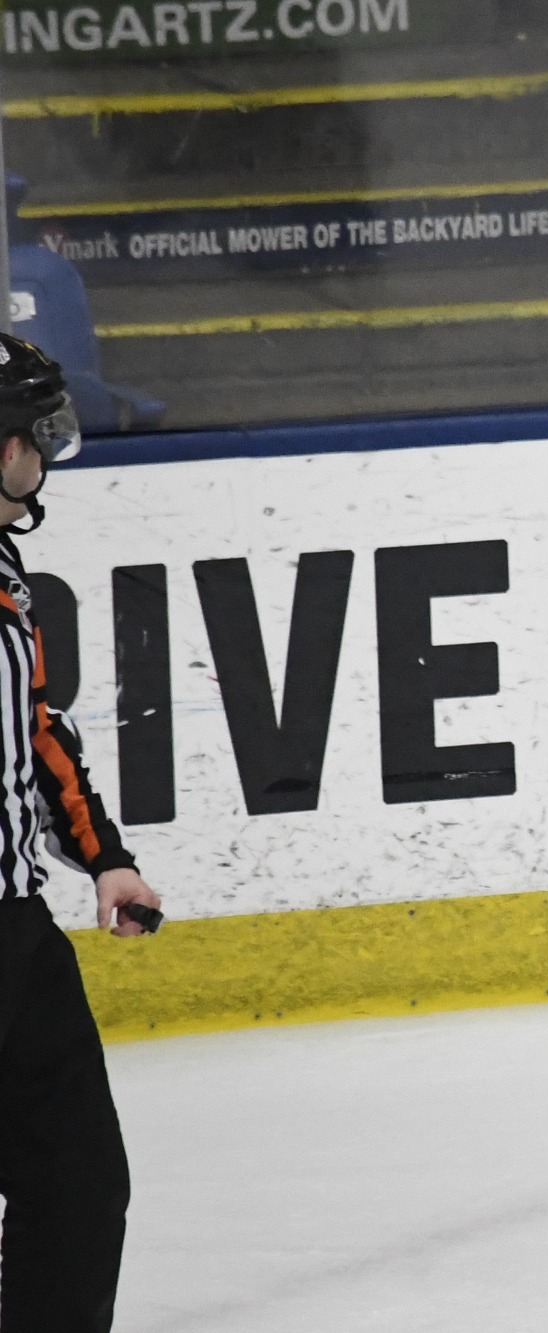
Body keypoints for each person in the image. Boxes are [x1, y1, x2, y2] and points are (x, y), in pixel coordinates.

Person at [0, 332, 164, 1333]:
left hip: (17, 940)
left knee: (78, 1184)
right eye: (30, 433)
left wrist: (105, 857)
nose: (43, 453)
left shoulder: (5, 575)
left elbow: (36, 729)